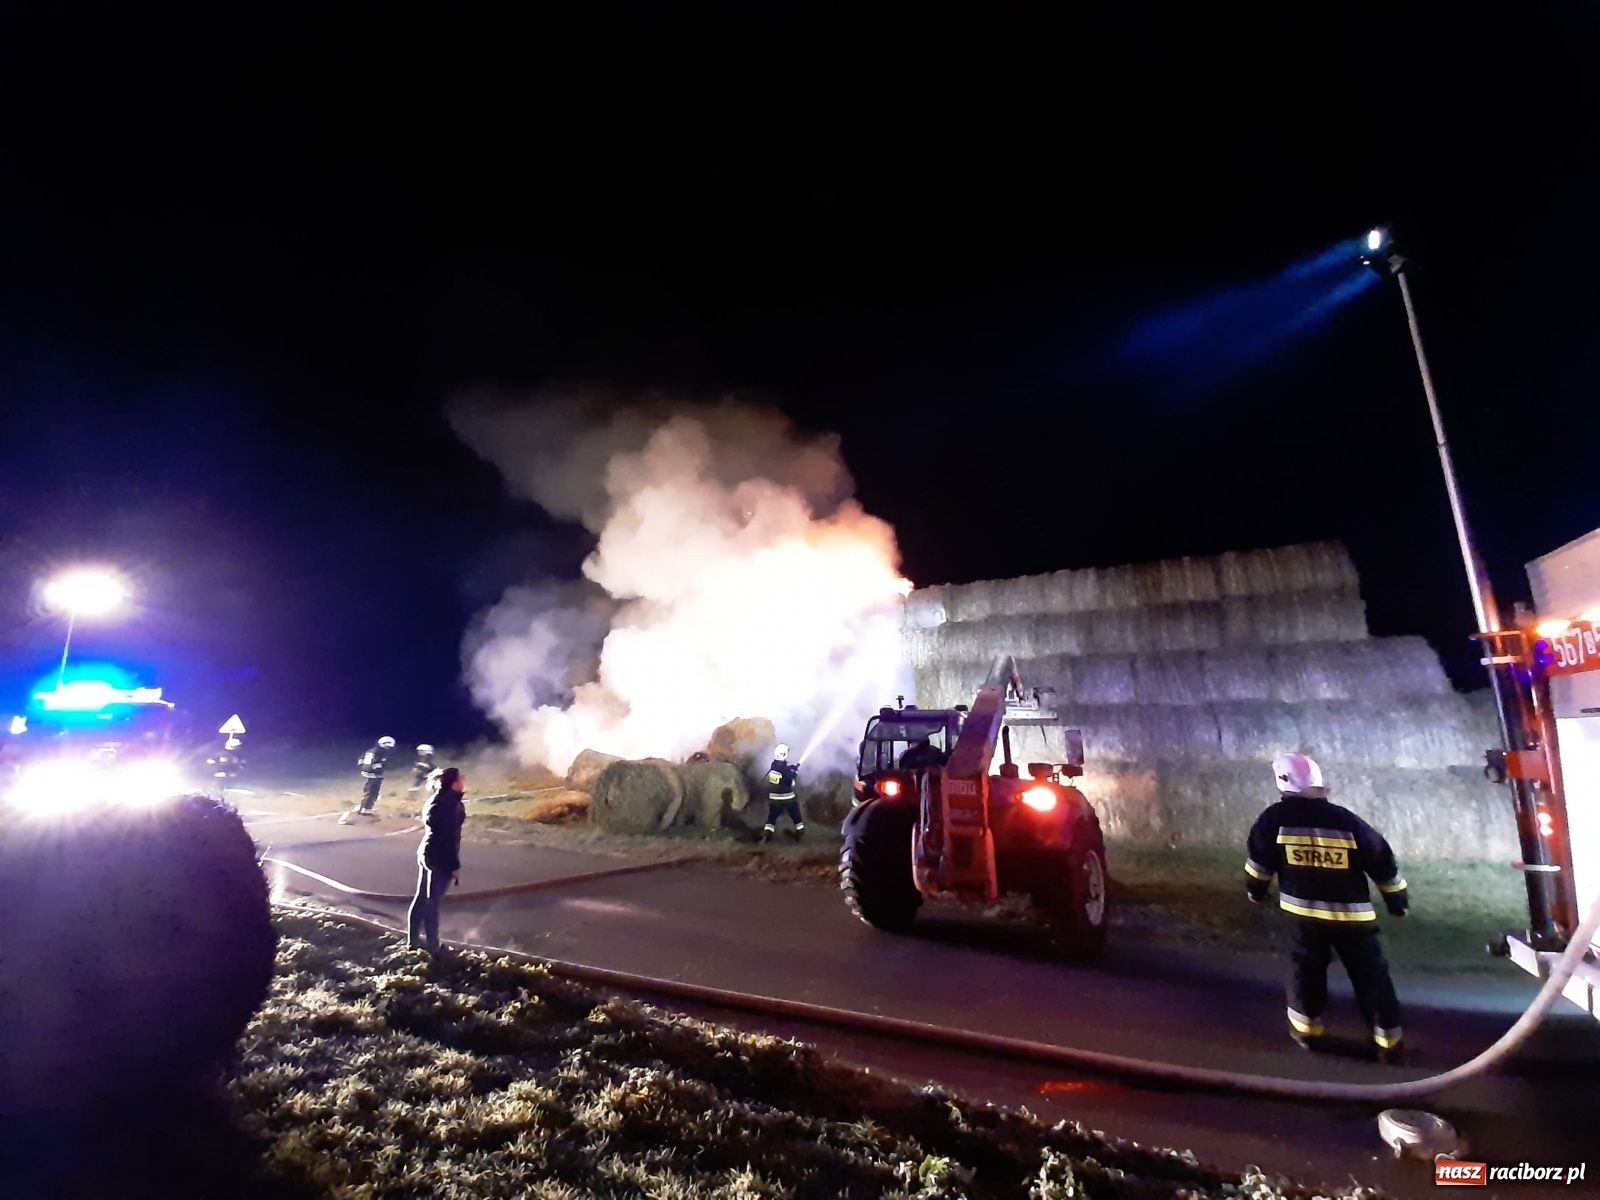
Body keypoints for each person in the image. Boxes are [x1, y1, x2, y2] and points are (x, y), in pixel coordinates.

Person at [1245, 753, 1409, 1062]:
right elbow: (1381, 859)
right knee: (1371, 977)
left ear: (1282, 782)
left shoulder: (1273, 819)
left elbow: (1259, 864)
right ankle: (1388, 1042)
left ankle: (1307, 1033)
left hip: (1303, 918)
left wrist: (1256, 892)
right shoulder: (1346, 821)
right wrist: (1396, 900)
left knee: (1304, 974)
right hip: (1354, 919)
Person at [409, 766, 467, 952]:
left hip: (426, 852)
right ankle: (433, 948)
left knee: (421, 899)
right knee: (432, 903)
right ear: (455, 783)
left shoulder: (437, 800)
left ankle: (413, 942)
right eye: (461, 778)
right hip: (438, 857)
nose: (463, 780)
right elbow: (447, 839)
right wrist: (454, 866)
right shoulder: (449, 805)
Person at [340, 735, 396, 825]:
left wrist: (364, 768)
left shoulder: (371, 751)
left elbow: (360, 760)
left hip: (367, 772)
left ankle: (366, 809)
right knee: (372, 792)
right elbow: (377, 764)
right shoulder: (379, 752)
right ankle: (360, 810)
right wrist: (378, 768)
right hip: (373, 774)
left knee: (370, 791)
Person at [761, 743, 804, 842]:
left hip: (774, 797)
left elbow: (782, 771)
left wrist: (791, 768)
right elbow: (790, 782)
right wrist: (794, 773)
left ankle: (767, 834)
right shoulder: (784, 769)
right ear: (784, 754)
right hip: (787, 797)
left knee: (772, 817)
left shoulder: (774, 765)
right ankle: (800, 831)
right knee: (795, 814)